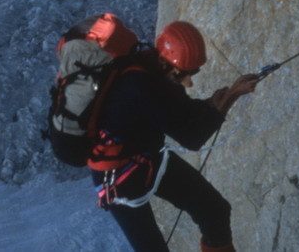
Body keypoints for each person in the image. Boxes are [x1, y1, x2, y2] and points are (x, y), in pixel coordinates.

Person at [89, 21, 259, 252]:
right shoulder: (143, 87)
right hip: (119, 179)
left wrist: (216, 101)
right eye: (186, 74)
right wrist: (230, 99)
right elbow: (192, 137)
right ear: (169, 64)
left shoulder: (153, 69)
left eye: (193, 73)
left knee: (214, 209)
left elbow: (179, 112)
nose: (190, 81)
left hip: (146, 157)